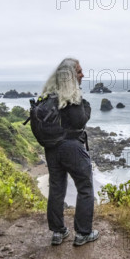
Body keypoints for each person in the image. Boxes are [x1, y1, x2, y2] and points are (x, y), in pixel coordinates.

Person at [41, 57, 99, 246]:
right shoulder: (71, 98)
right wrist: (87, 106)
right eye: (79, 71)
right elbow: (80, 120)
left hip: (51, 149)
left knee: (56, 188)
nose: (83, 75)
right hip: (72, 147)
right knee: (85, 187)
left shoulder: (50, 95)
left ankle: (58, 232)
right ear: (71, 75)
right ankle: (83, 233)